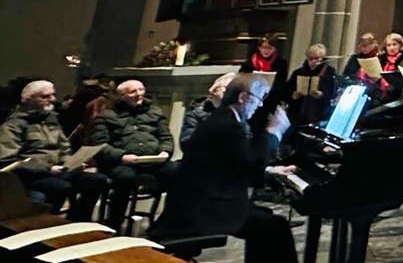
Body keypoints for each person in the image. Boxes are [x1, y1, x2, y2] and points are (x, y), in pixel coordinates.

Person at [150, 75, 297, 263]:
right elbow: (250, 164)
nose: (260, 106)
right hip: (201, 210)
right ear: (243, 98)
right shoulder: (226, 125)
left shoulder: (224, 119)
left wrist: (269, 171)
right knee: (274, 225)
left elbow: (236, 164)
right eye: (259, 99)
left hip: (201, 202)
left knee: (267, 220)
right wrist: (273, 133)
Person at [0, 80, 108, 220]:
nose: (52, 99)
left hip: (58, 171)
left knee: (97, 180)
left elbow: (64, 147)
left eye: (53, 95)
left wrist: (71, 163)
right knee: (61, 186)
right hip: (30, 176)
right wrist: (47, 169)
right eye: (45, 96)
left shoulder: (51, 120)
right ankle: (44, 223)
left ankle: (77, 220)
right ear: (29, 100)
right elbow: (8, 161)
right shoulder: (12, 126)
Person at [90, 79, 177, 228]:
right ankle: (114, 223)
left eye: (141, 90)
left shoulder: (155, 112)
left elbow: (165, 137)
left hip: (151, 161)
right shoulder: (106, 115)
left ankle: (167, 222)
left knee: (177, 171)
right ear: (121, 96)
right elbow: (99, 145)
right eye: (133, 92)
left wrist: (165, 151)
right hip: (121, 162)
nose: (139, 94)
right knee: (125, 177)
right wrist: (122, 156)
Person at [181, 72, 235, 148]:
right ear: (215, 90)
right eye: (228, 88)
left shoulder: (246, 113)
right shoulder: (196, 114)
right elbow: (188, 143)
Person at [286, 44, 335, 126]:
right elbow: (287, 91)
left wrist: (322, 95)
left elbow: (332, 93)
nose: (313, 61)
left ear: (322, 58)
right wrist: (293, 95)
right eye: (310, 58)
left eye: (317, 58)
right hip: (298, 112)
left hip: (319, 113)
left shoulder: (329, 72)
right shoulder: (298, 72)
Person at [239, 34, 289, 100]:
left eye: (270, 48)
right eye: (264, 47)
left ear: (275, 49)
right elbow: (241, 81)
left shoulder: (281, 64)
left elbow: (281, 85)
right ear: (259, 47)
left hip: (271, 98)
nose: (266, 50)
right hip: (251, 97)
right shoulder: (249, 63)